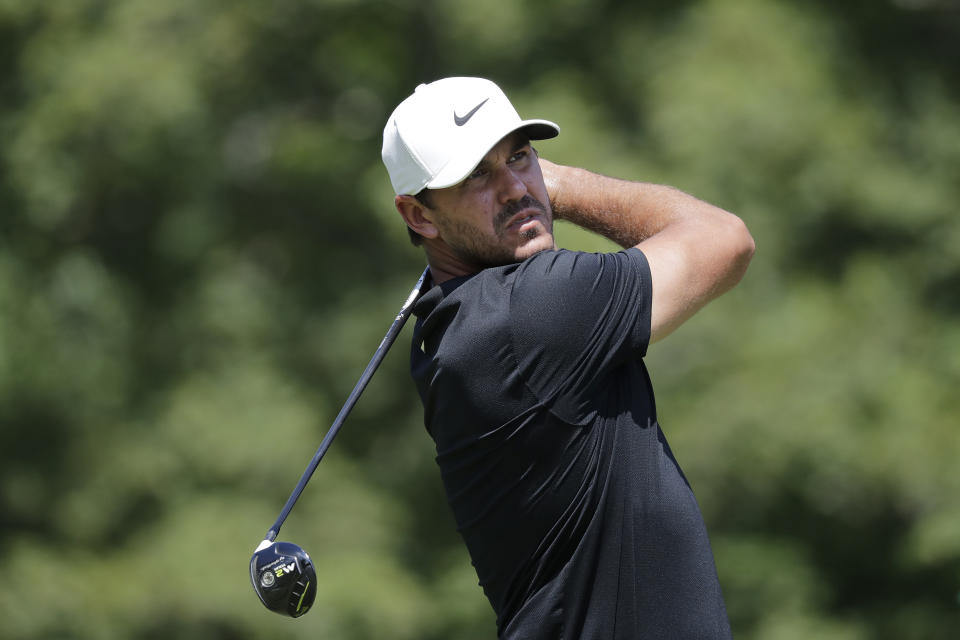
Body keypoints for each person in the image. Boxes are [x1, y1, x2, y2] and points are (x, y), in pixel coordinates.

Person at [381, 77, 755, 639]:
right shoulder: (530, 311)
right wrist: (560, 184)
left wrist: (515, 181)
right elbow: (725, 239)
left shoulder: (453, 329)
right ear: (419, 217)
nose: (513, 188)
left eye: (521, 156)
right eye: (477, 174)